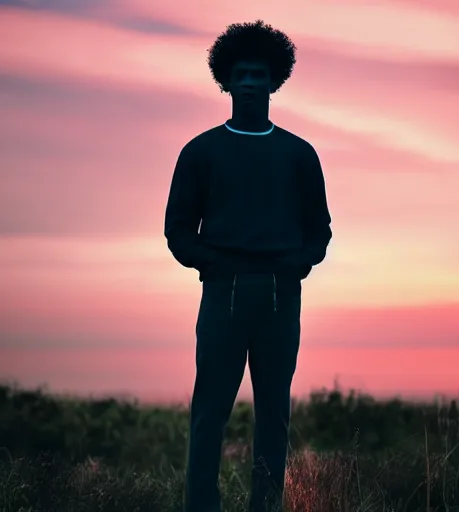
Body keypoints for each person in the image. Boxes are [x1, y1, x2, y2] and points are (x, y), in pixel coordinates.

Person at [164, 19, 332, 512]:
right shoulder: (200, 152)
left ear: (274, 80)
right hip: (223, 294)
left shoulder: (300, 155)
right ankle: (201, 507)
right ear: (226, 81)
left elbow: (319, 230)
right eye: (242, 74)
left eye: (260, 74)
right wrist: (216, 267)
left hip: (281, 296)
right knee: (210, 412)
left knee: (274, 414)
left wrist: (294, 266)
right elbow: (177, 232)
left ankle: (267, 506)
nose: (252, 82)